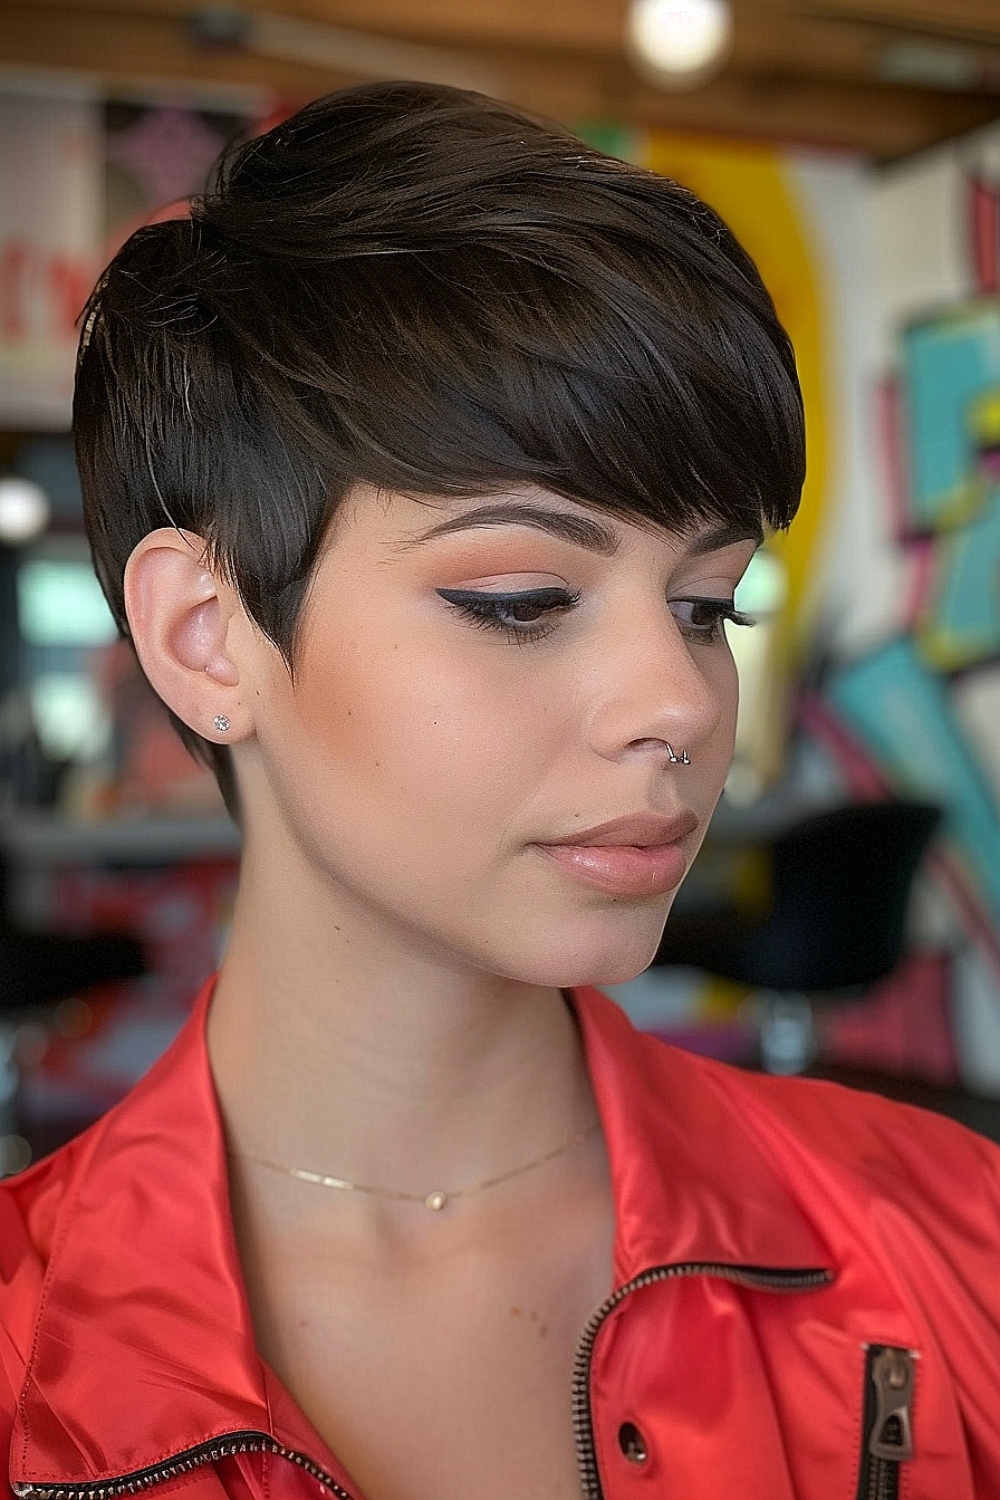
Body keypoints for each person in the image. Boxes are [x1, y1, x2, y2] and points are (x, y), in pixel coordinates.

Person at [2, 81, 999, 1500]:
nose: (676, 705)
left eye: (710, 607)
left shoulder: (956, 1242)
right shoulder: (26, 1367)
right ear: (205, 638)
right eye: (524, 599)